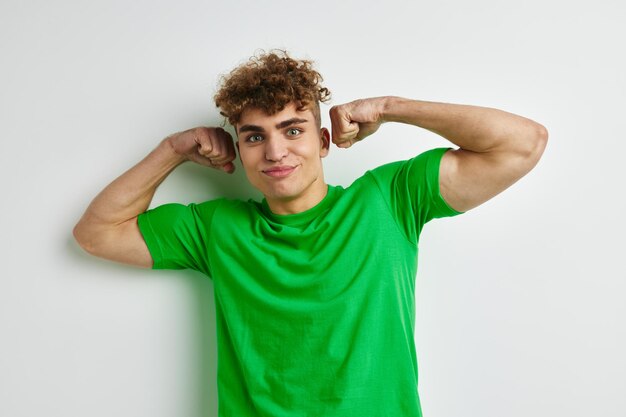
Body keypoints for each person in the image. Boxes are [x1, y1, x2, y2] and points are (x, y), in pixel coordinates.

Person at [73, 49, 548, 417]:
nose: (276, 152)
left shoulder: (388, 200)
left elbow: (523, 143)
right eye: (255, 136)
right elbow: (97, 232)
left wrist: (390, 107)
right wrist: (172, 149)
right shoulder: (217, 227)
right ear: (239, 150)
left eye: (293, 130)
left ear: (323, 142)